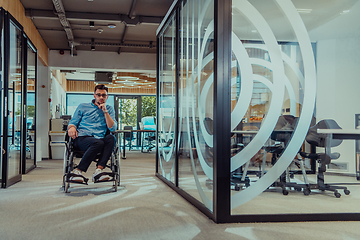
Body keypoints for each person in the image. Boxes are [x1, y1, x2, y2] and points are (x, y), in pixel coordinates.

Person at [67, 84, 117, 183]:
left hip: (99, 139)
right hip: (82, 139)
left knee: (111, 139)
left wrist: (105, 111)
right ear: (94, 96)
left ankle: (98, 171)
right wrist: (71, 127)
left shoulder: (109, 109)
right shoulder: (82, 106)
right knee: (98, 143)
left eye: (103, 95)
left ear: (107, 96)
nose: (101, 97)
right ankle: (78, 171)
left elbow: (113, 128)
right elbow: (73, 122)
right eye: (99, 95)